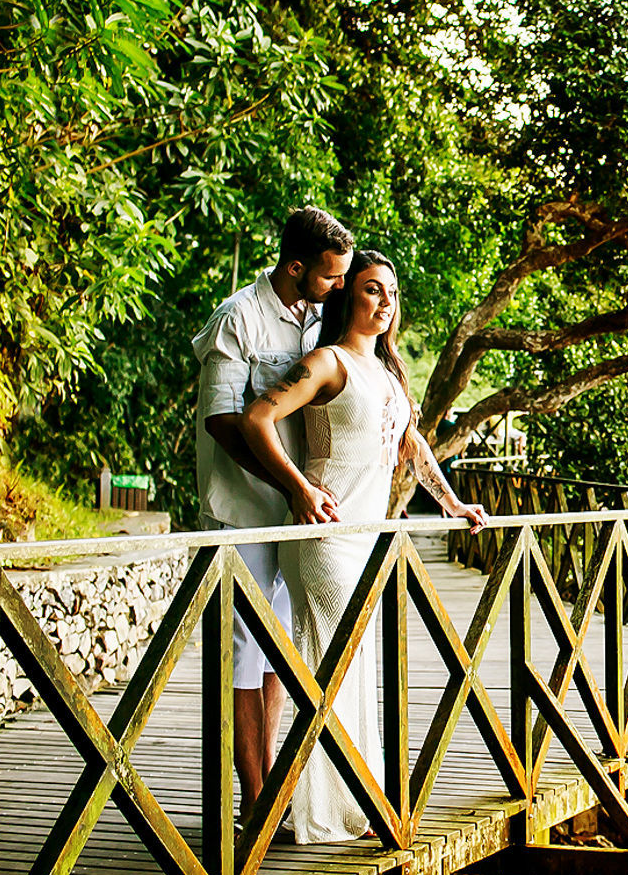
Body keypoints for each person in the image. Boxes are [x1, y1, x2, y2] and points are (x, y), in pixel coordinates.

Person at [240, 250, 487, 842]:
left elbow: (411, 444)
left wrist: (450, 502)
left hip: (368, 539)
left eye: (392, 294)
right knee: (331, 670)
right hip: (326, 540)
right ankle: (311, 806)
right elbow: (257, 419)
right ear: (349, 295)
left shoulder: (389, 373)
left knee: (351, 670)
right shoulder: (326, 362)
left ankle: (352, 797)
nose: (384, 302)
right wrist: (298, 487)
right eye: (372, 290)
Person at [194, 206, 354, 815]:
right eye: (331, 276)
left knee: (278, 651)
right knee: (241, 650)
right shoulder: (239, 317)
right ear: (295, 266)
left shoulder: (319, 323)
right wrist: (289, 485)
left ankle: (273, 796)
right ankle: (254, 800)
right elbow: (222, 421)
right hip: (240, 509)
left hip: (299, 510)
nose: (339, 286)